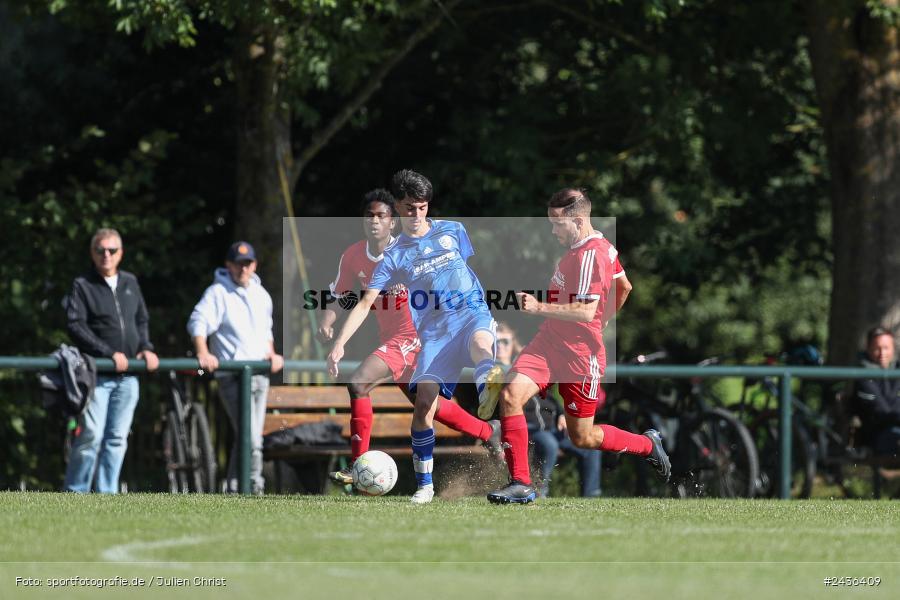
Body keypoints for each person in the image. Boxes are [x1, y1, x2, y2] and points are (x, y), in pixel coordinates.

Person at [327, 169, 503, 504]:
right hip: (433, 332)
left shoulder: (453, 230)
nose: (417, 215)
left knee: (481, 346)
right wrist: (339, 342)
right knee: (426, 404)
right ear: (398, 207)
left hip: (462, 317)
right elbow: (363, 302)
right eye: (410, 208)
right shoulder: (392, 257)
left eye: (422, 207)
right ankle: (432, 480)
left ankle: (487, 388)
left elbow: (463, 270)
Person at [486, 188, 670, 504]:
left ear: (579, 220)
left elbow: (585, 311)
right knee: (510, 395)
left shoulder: (591, 255)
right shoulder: (593, 247)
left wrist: (539, 307)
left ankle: (647, 445)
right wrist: (606, 317)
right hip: (549, 342)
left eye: (558, 224)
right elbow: (625, 287)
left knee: (582, 437)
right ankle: (521, 484)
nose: (553, 231)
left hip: (580, 357)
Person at [64, 228, 159, 493]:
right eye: (101, 250)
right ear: (92, 254)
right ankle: (76, 492)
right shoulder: (82, 284)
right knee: (91, 435)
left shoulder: (130, 282)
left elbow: (141, 319)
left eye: (112, 250)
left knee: (117, 438)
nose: (106, 255)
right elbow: (75, 325)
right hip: (97, 373)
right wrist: (108, 353)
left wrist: (146, 348)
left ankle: (107, 493)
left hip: (128, 377)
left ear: (121, 254)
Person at [188, 241, 284, 494]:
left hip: (259, 374)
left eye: (248, 263)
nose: (243, 269)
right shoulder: (217, 293)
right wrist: (203, 351)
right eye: (238, 263)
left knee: (249, 438)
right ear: (229, 265)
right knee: (251, 439)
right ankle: (254, 486)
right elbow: (198, 321)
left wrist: (271, 353)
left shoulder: (261, 295)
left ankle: (233, 488)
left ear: (254, 265)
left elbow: (266, 330)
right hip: (233, 376)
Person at [494, 323, 602, 498]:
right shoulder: (489, 372)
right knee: (548, 442)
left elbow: (550, 398)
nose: (500, 346)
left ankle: (591, 494)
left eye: (505, 341)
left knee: (589, 447)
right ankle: (539, 490)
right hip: (527, 427)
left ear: (513, 342)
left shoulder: (528, 365)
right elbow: (490, 408)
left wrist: (561, 415)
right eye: (495, 342)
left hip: (551, 426)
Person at [853, 327, 900, 456]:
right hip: (876, 436)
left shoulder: (897, 370)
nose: (882, 353)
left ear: (893, 349)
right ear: (868, 349)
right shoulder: (862, 375)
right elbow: (880, 409)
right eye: (877, 348)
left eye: (886, 348)